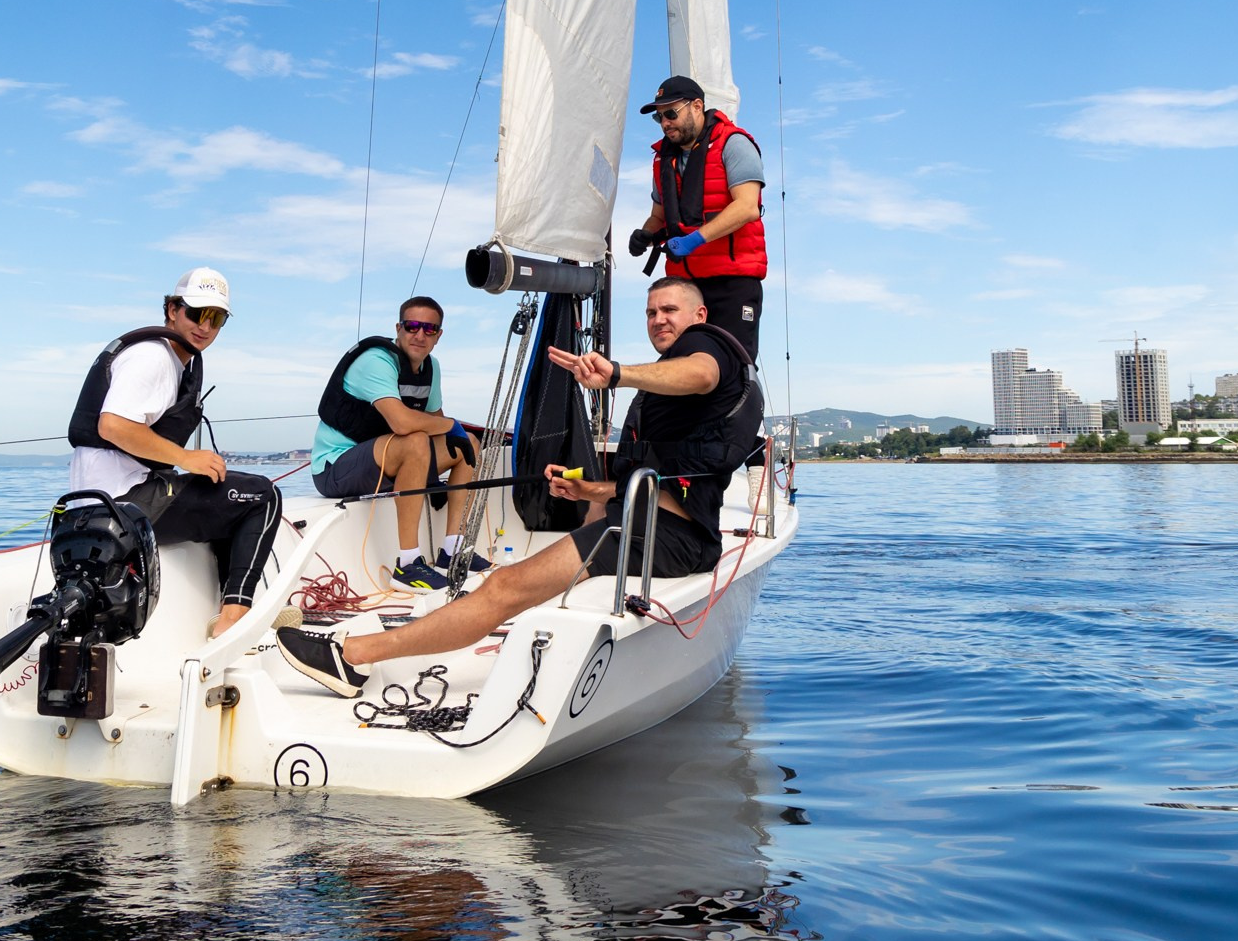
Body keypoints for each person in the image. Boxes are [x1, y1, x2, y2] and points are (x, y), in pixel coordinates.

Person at [278, 276, 761, 696]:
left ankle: (352, 656)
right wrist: (589, 492)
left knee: (504, 585)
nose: (658, 320)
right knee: (516, 577)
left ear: (698, 315)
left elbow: (701, 373)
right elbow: (658, 480)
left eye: (669, 310)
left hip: (663, 538)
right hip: (646, 527)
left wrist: (617, 374)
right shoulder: (667, 384)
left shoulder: (705, 347)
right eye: (651, 312)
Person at [67, 268, 282, 640]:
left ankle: (231, 606)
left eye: (216, 319)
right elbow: (113, 426)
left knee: (222, 492)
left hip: (108, 503)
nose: (205, 327)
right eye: (197, 314)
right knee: (262, 496)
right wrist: (186, 458)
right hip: (122, 507)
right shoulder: (153, 358)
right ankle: (234, 621)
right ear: (172, 309)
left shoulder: (170, 359)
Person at [309, 297, 486, 589]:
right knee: (415, 441)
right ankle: (407, 565)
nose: (420, 335)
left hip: (383, 462)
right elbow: (402, 423)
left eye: (429, 329)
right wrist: (450, 424)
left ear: (439, 335)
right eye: (412, 326)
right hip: (335, 469)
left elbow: (435, 422)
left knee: (466, 444)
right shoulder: (376, 361)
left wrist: (448, 437)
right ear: (398, 328)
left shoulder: (431, 367)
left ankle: (453, 551)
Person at [630, 74, 767, 360]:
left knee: (731, 364)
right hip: (685, 285)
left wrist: (694, 240)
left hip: (732, 283)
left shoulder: (734, 144)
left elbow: (747, 207)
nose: (665, 123)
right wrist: (646, 235)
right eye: (659, 118)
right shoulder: (662, 159)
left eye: (671, 113)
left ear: (696, 106)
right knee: (680, 364)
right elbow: (658, 216)